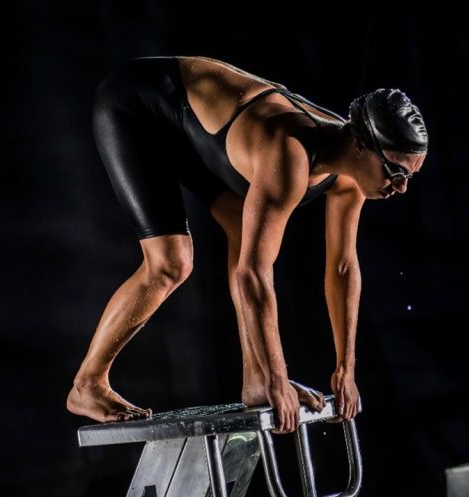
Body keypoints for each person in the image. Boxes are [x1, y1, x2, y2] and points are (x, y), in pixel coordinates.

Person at [66, 56, 428, 432]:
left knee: (244, 230)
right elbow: (252, 275)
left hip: (192, 126)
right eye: (396, 172)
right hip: (139, 103)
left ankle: (254, 379)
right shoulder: (289, 153)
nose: (400, 187)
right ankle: (87, 384)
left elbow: (342, 268)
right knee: (171, 263)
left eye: (409, 176)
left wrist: (345, 370)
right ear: (360, 146)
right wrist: (278, 376)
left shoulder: (349, 178)